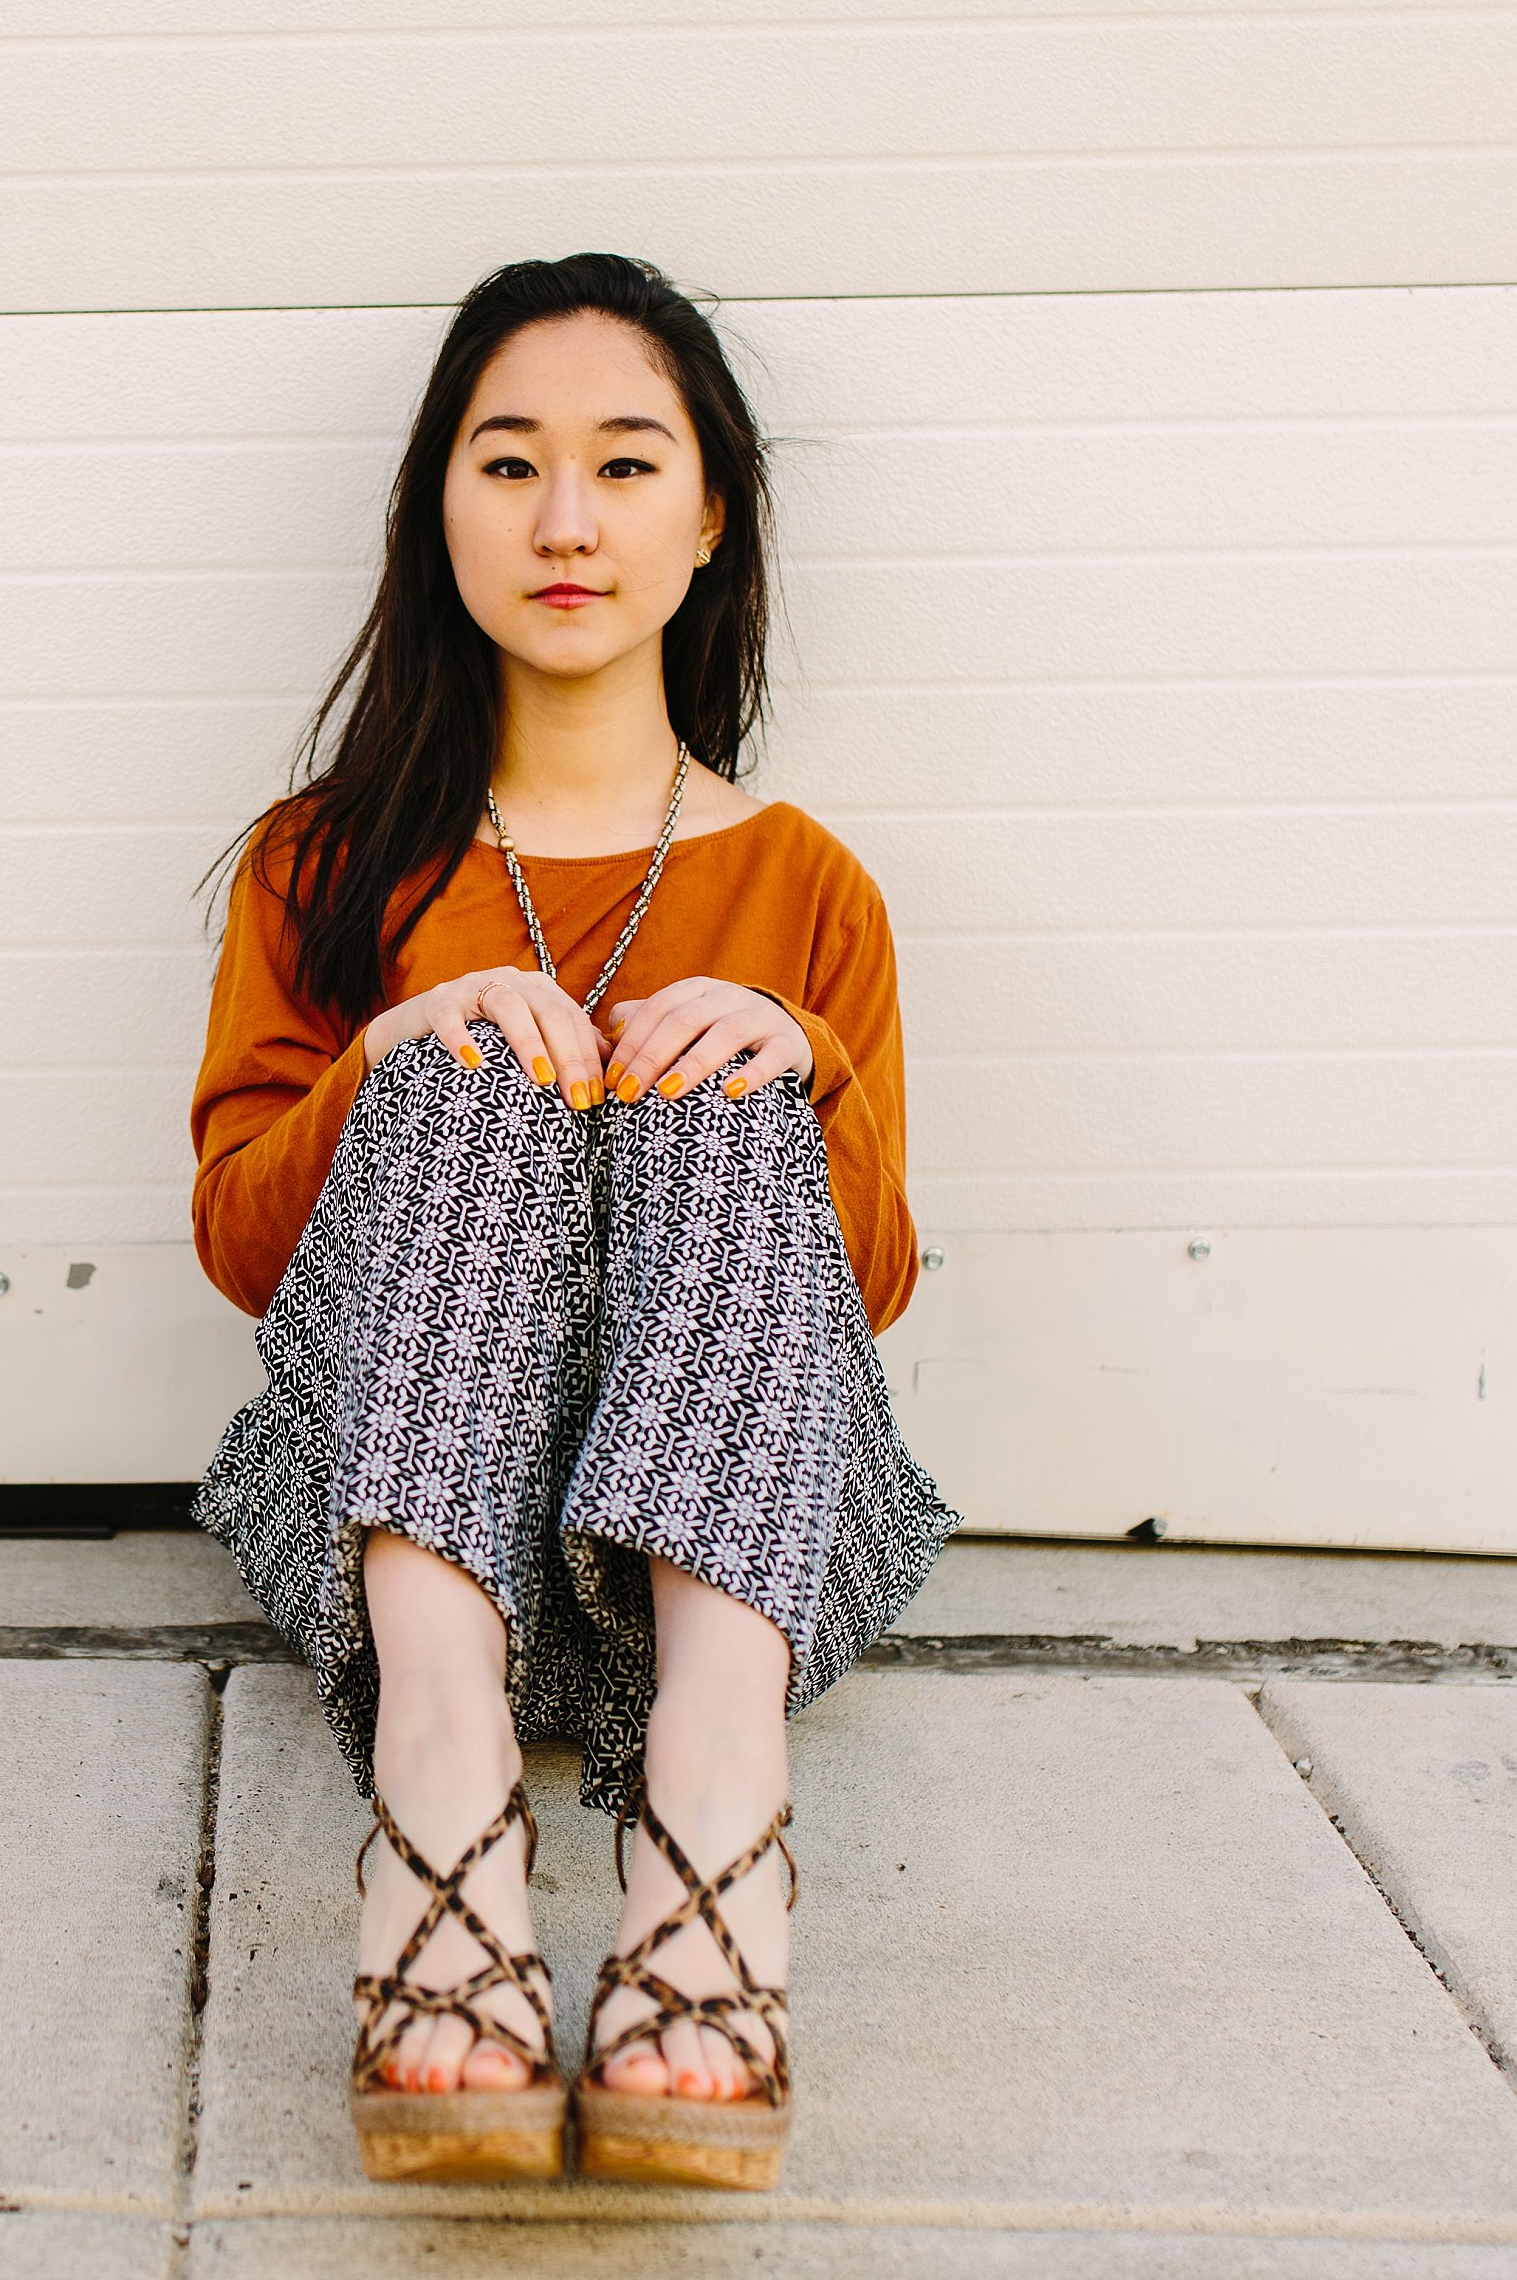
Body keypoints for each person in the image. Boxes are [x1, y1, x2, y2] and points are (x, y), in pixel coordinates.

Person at [188, 253, 954, 2191]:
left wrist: (800, 1067)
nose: (560, 521)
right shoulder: (324, 866)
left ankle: (713, 1824)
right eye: (507, 462)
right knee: (472, 1067)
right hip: (410, 1577)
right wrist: (395, 1058)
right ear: (434, 507)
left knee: (719, 1076)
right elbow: (244, 1244)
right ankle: (439, 1812)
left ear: (708, 526)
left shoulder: (808, 889)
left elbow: (866, 1281)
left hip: (730, 1601)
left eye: (624, 467)